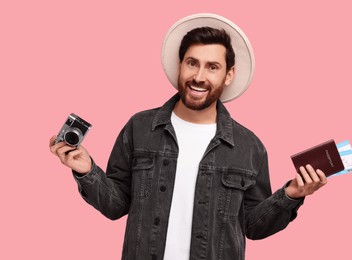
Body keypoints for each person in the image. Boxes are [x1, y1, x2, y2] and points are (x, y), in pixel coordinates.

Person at [49, 14, 327, 260]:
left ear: (228, 75)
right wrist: (87, 171)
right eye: (192, 63)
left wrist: (291, 195)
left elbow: (253, 226)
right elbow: (116, 205)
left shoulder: (250, 146)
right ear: (180, 65)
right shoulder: (140, 127)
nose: (199, 76)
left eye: (212, 67)